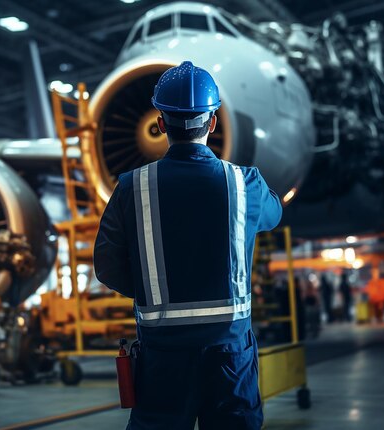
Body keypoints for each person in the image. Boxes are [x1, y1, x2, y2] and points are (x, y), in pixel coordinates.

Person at [94, 61, 282, 430]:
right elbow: (274, 213)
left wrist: (153, 287)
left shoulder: (133, 187)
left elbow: (107, 265)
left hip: (163, 357)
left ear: (161, 123)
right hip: (229, 354)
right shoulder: (245, 185)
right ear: (212, 122)